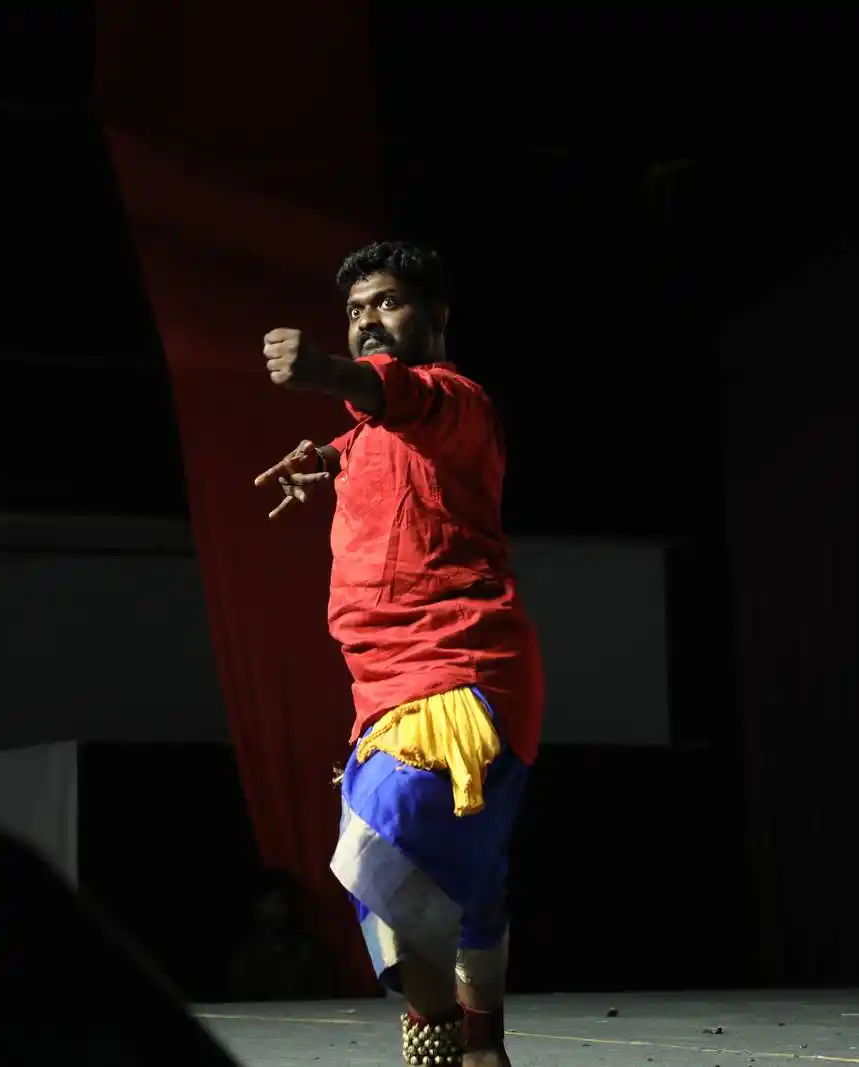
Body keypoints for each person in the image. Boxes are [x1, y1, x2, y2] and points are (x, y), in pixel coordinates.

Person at [253, 242, 544, 1067]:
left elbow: (395, 394)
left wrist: (321, 371)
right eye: (353, 312)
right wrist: (327, 458)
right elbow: (373, 431)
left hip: (457, 678)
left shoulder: (455, 400)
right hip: (386, 688)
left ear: (438, 315)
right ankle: (481, 1045)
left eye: (386, 302)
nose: (367, 321)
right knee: (466, 876)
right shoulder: (366, 433)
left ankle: (439, 1041)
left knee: (384, 847)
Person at [226, 870, 335, 1002]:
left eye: (288, 903)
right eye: (277, 903)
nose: (285, 910)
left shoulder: (309, 950)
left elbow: (325, 996)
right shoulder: (247, 957)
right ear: (259, 906)